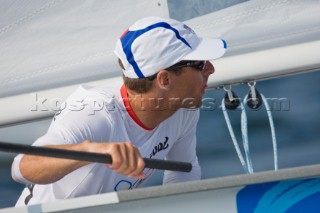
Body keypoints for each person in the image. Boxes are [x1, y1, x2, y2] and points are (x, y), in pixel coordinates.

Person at [11, 16, 227, 205]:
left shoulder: (183, 108)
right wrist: (92, 151)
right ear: (165, 79)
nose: (211, 68)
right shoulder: (93, 111)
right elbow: (22, 168)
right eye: (200, 64)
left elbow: (182, 175)